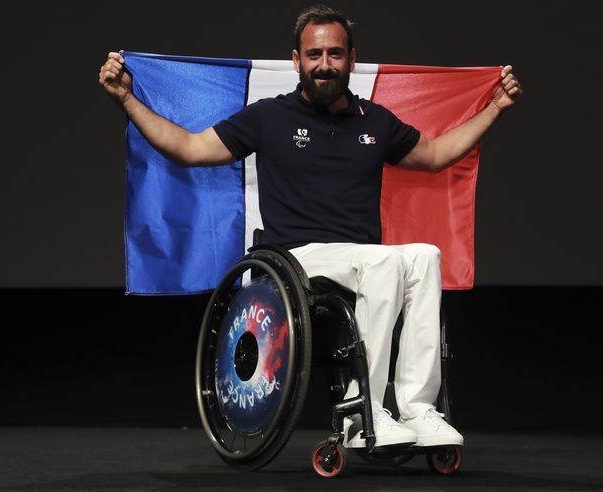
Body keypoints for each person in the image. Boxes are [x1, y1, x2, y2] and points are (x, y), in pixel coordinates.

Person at [99, 4, 522, 449]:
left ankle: (417, 409)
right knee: (381, 261)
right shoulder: (268, 117)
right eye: (315, 55)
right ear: (297, 61)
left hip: (358, 259)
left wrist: (496, 108)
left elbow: (435, 156)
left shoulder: (374, 121)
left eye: (335, 54)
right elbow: (188, 148)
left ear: (351, 60)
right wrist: (127, 98)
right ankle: (363, 412)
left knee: (425, 255)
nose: (325, 65)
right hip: (294, 259)